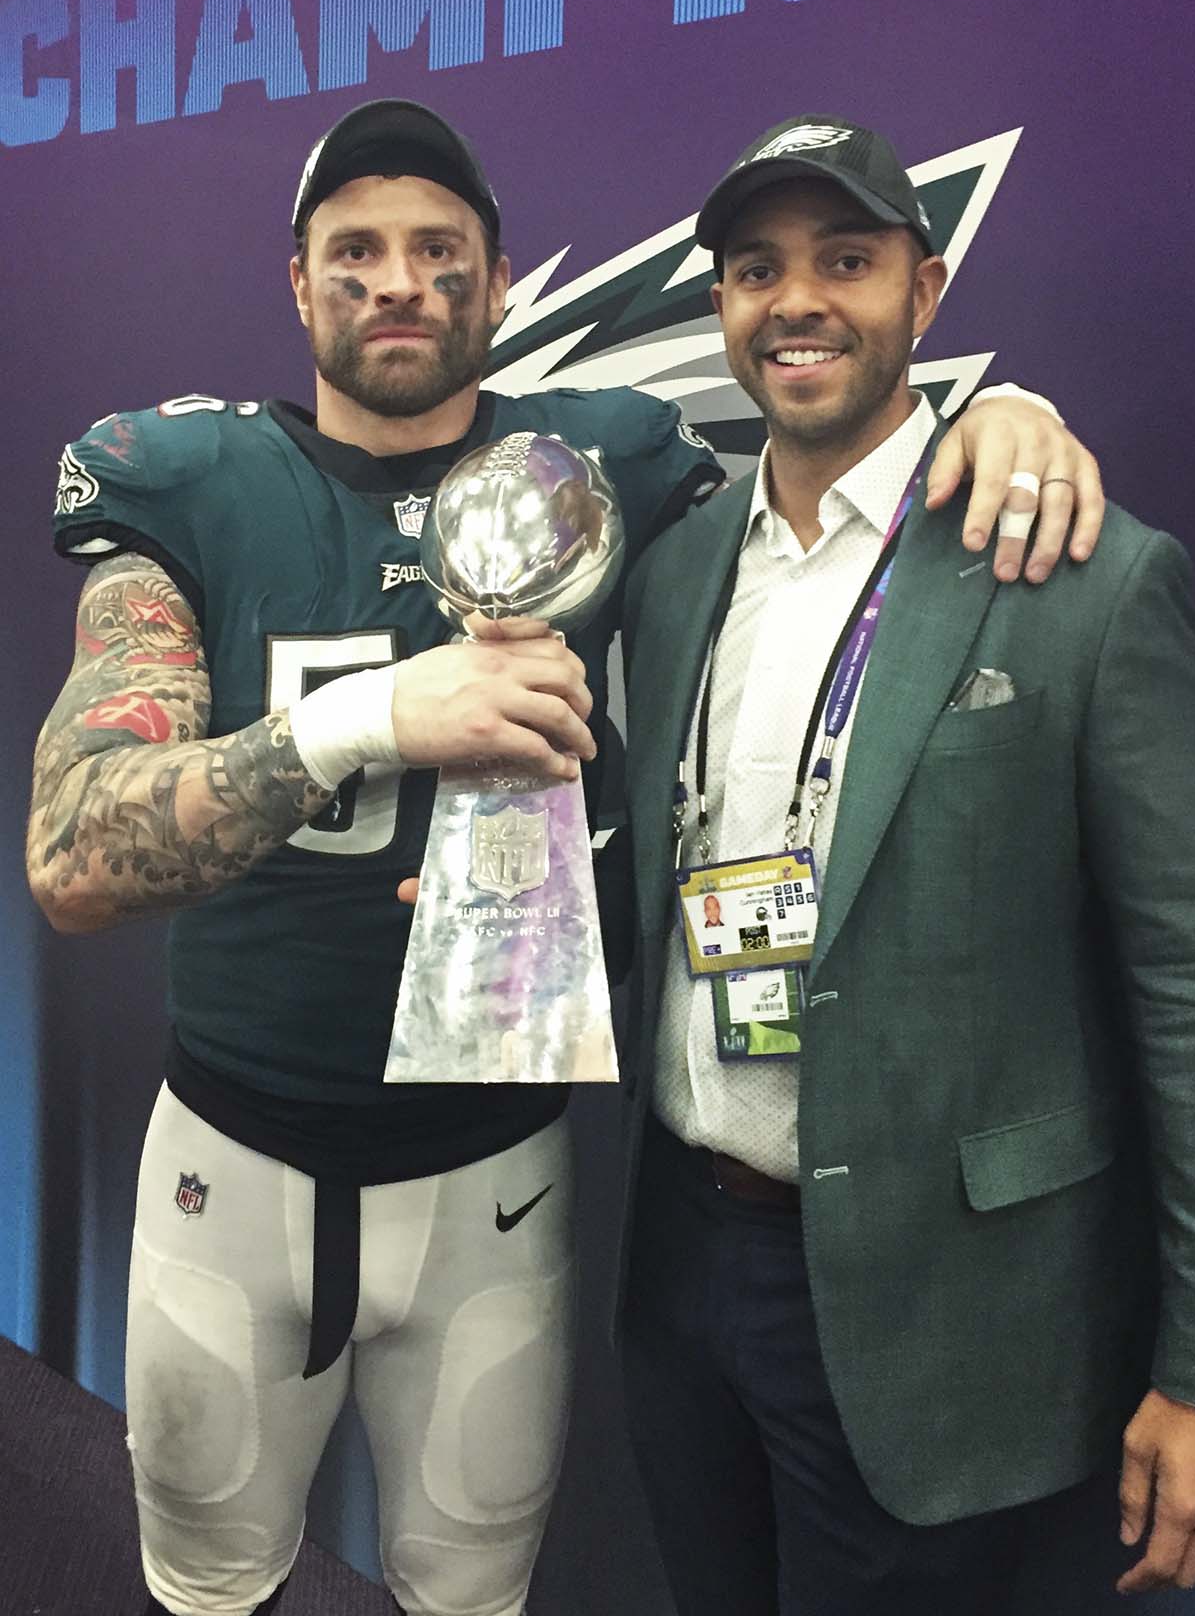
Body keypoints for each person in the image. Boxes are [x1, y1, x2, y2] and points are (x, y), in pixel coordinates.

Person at [27, 96, 1101, 1616]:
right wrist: (370, 719)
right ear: (296, 282)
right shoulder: (186, 481)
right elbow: (74, 854)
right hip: (232, 1154)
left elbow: (825, 528)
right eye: (356, 250)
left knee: (471, 1592)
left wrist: (988, 414)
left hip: (494, 1175)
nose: (396, 280)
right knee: (204, 1586)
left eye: (435, 248)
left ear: (497, 276)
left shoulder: (607, 467)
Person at [612, 115, 1195, 1615]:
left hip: (935, 1305)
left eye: (844, 262)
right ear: (717, 307)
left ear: (922, 298)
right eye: (754, 269)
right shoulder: (670, 577)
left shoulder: (1077, 572)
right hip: (674, 1266)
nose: (795, 301)